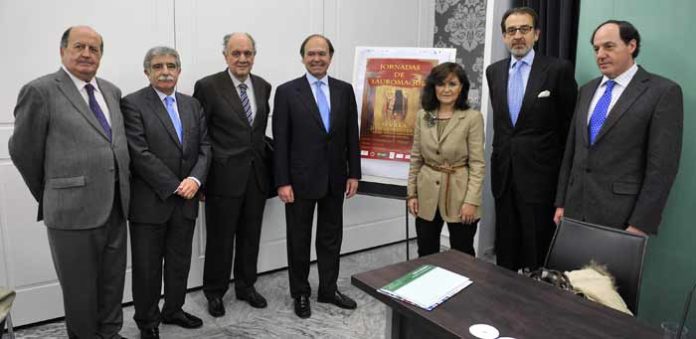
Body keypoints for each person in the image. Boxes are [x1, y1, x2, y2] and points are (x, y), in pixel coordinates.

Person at [8, 26, 130, 339]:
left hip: (116, 206)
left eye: (94, 49)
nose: (87, 54)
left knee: (112, 280)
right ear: (63, 51)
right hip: (71, 212)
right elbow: (23, 150)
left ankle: (110, 332)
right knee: (80, 289)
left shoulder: (112, 91)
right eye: (79, 47)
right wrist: (53, 190)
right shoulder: (40, 91)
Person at [554, 20, 682, 235]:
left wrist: (642, 223)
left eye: (609, 46)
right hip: (575, 211)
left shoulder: (662, 92)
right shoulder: (586, 90)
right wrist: (562, 202)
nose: (600, 54)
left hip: (622, 218)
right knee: (572, 270)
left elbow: (662, 168)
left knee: (609, 271)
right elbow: (572, 151)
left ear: (631, 46)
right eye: (596, 49)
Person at [121, 46, 211, 339]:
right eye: (158, 66)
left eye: (171, 66)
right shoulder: (132, 104)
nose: (165, 71)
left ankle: (174, 309)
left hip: (186, 201)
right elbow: (139, 152)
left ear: (179, 71)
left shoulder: (192, 105)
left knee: (179, 261)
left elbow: (205, 148)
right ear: (146, 71)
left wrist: (195, 180)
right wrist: (175, 185)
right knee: (147, 269)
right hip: (150, 203)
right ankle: (148, 322)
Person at [273, 34, 361, 319]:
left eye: (322, 53)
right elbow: (281, 141)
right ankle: (300, 293)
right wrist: (282, 181)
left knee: (331, 238)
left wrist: (354, 173)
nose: (317, 58)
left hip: (335, 179)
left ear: (330, 57)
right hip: (298, 182)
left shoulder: (344, 90)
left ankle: (328, 288)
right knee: (298, 239)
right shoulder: (287, 92)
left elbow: (351, 135)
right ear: (302, 58)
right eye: (311, 54)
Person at [485, 7, 578, 271]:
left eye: (524, 29)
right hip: (504, 175)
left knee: (537, 252)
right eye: (511, 31)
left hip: (540, 179)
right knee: (506, 249)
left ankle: (534, 306)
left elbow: (567, 127)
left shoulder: (557, 69)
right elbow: (505, 127)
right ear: (504, 37)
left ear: (536, 34)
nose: (517, 36)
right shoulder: (494, 72)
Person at [193, 32, 272, 317]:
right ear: (225, 55)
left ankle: (246, 286)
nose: (242, 59)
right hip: (222, 178)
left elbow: (258, 132)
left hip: (256, 177)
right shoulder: (208, 86)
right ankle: (214, 292)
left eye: (247, 53)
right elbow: (198, 134)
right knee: (220, 238)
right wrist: (199, 177)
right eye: (236, 53)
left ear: (254, 55)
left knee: (251, 235)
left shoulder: (264, 86)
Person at [407, 62, 484, 257]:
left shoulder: (472, 118)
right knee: (426, 250)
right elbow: (416, 158)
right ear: (433, 87)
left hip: (460, 193)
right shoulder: (423, 116)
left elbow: (477, 164)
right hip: (426, 193)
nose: (446, 89)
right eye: (441, 84)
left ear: (462, 87)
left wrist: (471, 201)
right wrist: (412, 194)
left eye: (452, 84)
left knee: (462, 252)